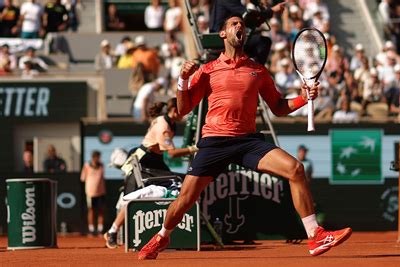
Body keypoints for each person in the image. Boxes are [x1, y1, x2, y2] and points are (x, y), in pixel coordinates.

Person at [137, 14, 352, 260]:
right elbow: (184, 109)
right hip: (215, 141)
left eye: (242, 25)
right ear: (222, 34)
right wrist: (182, 80)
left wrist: (304, 98)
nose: (240, 26)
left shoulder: (258, 70)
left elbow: (279, 107)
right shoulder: (207, 70)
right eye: (234, 24)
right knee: (185, 199)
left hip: (248, 141)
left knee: (296, 169)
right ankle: (162, 236)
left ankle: (315, 235)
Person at [104, 97, 198, 248]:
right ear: (174, 110)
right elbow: (172, 153)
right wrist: (194, 148)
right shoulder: (164, 126)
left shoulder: (169, 122)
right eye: (183, 108)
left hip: (155, 161)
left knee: (179, 182)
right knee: (132, 198)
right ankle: (112, 232)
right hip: (142, 161)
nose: (186, 112)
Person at [209, 0, 286, 64]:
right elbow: (249, 17)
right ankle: (255, 69)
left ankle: (249, 64)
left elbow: (250, 20)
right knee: (264, 42)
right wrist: (272, 10)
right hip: (221, 38)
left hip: (223, 36)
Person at [80, 150, 106, 236]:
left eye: (98, 157)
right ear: (92, 158)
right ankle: (91, 229)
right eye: (95, 157)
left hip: (101, 192)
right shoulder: (87, 166)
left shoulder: (102, 166)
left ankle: (100, 229)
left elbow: (103, 177)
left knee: (101, 211)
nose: (96, 159)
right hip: (90, 193)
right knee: (91, 210)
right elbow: (82, 178)